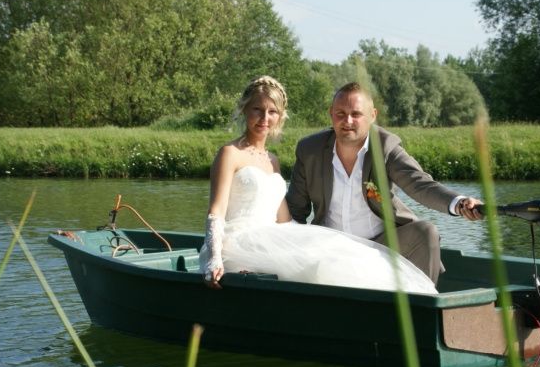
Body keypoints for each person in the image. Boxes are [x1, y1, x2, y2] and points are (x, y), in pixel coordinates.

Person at [199, 76, 437, 294]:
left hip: (272, 237)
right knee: (324, 263)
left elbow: (284, 219)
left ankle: (400, 304)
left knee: (342, 253)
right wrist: (214, 258)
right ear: (245, 110)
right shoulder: (230, 153)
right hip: (237, 243)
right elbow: (216, 212)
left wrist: (317, 239)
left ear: (280, 116)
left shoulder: (271, 161)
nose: (264, 118)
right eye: (257, 110)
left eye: (272, 111)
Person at [286, 82, 483, 288]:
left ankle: (421, 308)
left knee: (426, 232)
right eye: (340, 114)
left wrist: (459, 203)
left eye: (356, 114)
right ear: (331, 114)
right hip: (330, 248)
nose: (348, 121)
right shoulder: (310, 150)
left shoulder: (385, 147)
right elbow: (295, 211)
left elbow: (420, 184)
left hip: (380, 247)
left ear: (373, 115)